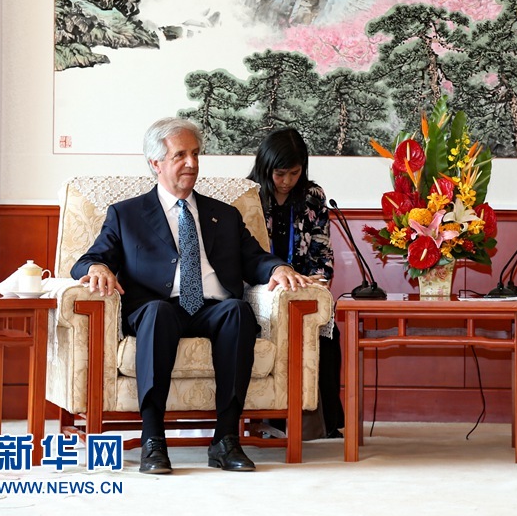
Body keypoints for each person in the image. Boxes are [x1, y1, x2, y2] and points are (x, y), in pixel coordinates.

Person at [72, 118, 311, 474]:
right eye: (180, 155)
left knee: (238, 312)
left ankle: (225, 440)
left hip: (212, 308)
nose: (192, 163)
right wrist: (97, 268)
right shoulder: (127, 215)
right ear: (156, 163)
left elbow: (254, 258)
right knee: (158, 313)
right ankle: (153, 439)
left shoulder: (224, 215)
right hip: (157, 309)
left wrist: (278, 268)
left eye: (196, 154)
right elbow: (90, 259)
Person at [247, 127, 343, 439]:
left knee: (326, 327)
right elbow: (244, 255)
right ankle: (270, 421)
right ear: (266, 168)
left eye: (294, 173)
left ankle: (324, 423)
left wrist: (317, 279)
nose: (287, 181)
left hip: (302, 285)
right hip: (262, 287)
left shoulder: (313, 196)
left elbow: (322, 250)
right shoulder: (248, 196)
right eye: (280, 174)